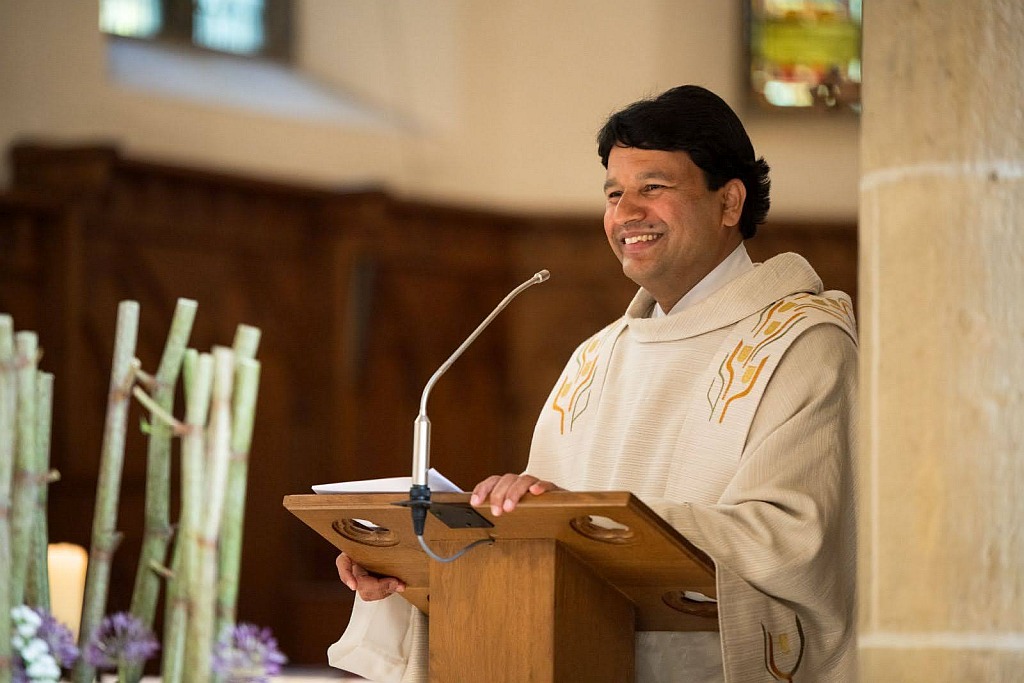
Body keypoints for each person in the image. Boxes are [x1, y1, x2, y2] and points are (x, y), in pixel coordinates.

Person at [330, 84, 858, 682]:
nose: (626, 213)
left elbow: (795, 541)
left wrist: (586, 519)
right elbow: (546, 545)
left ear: (729, 201)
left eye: (652, 188)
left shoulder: (802, 343)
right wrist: (415, 567)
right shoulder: (597, 357)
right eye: (614, 193)